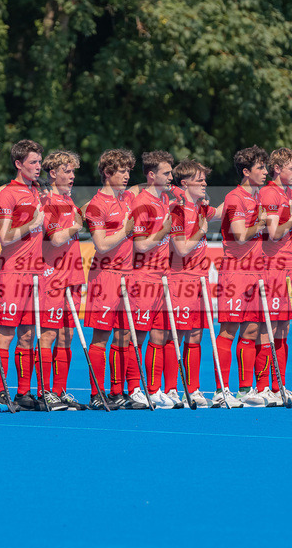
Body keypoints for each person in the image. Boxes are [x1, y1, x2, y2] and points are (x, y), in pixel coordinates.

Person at [0, 140, 65, 411]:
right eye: (33, 162)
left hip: (36, 274)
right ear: (19, 164)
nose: (38, 167)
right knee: (7, 334)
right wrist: (31, 224)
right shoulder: (8, 194)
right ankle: (0, 391)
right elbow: (5, 236)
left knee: (27, 335)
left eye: (39, 161)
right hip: (13, 272)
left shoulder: (38, 193)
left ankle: (23, 392)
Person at [84, 149, 146, 410]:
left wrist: (170, 182)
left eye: (128, 171)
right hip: (105, 275)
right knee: (101, 337)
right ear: (108, 174)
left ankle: (117, 390)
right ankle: (97, 394)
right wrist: (125, 231)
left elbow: (142, 186)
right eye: (121, 171)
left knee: (124, 336)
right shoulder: (97, 204)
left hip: (128, 275)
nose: (126, 175)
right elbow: (100, 245)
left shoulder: (127, 197)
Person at [216, 146, 272, 408]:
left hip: (255, 272)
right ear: (246, 172)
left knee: (251, 330)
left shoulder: (258, 196)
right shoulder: (235, 197)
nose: (265, 172)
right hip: (235, 273)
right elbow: (240, 234)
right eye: (260, 168)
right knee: (229, 330)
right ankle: (220, 389)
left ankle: (244, 389)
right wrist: (262, 223)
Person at [130, 151, 181, 409]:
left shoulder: (163, 200)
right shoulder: (143, 203)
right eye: (167, 173)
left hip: (162, 276)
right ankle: (133, 388)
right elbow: (140, 245)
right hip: (143, 277)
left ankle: (152, 388)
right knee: (137, 336)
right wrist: (164, 230)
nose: (172, 177)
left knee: (159, 334)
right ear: (151, 176)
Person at [40, 150, 87, 410]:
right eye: (67, 171)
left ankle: (60, 390)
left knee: (67, 336)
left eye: (73, 172)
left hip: (73, 277)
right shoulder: (48, 202)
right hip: (53, 278)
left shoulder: (71, 203)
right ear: (53, 173)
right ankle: (45, 391)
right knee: (48, 335)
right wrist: (76, 225)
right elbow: (57, 239)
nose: (72, 176)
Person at [167, 159, 217, 408]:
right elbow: (182, 248)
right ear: (185, 183)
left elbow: (220, 211)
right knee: (175, 335)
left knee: (196, 335)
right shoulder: (176, 208)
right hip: (180, 279)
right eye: (200, 180)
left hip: (200, 279)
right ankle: (170, 388)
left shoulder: (200, 207)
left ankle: (193, 388)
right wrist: (200, 230)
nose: (205, 184)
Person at [259, 147, 292, 406]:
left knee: (285, 326)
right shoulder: (269, 193)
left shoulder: (286, 191)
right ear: (277, 169)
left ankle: (279, 386)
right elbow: (274, 233)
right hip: (273, 267)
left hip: (289, 267)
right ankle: (264, 386)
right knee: (270, 326)